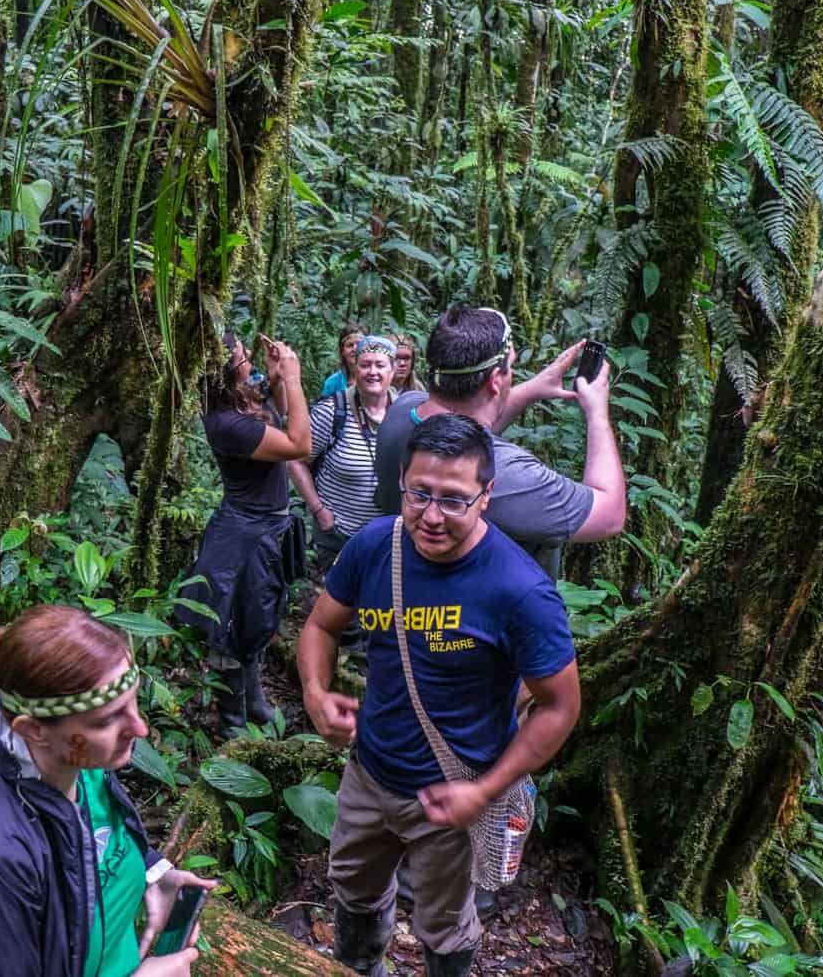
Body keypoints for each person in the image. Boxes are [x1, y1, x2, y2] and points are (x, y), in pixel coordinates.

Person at [297, 415, 582, 977]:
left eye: (453, 500)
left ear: (486, 496)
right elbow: (320, 627)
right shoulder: (375, 546)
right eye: (419, 493)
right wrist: (314, 692)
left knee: (445, 925)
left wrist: (486, 791)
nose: (430, 515)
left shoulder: (519, 590)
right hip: (370, 773)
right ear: (402, 481)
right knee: (353, 889)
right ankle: (358, 966)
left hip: (456, 792)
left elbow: (561, 705)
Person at [0, 605, 216, 977]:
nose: (140, 727)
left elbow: (86, 837)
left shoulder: (72, 756)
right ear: (33, 729)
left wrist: (152, 873)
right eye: (107, 719)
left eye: (133, 701)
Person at [373, 306, 625, 578]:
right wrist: (597, 412)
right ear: (495, 380)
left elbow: (466, 422)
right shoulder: (500, 471)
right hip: (489, 615)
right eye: (512, 366)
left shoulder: (401, 411)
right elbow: (609, 516)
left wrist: (532, 389)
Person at [173, 332, 311, 730]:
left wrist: (276, 381)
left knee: (259, 618)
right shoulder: (226, 423)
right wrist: (295, 378)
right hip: (243, 535)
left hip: (265, 528)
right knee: (233, 624)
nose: (248, 365)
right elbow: (298, 444)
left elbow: (279, 419)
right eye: (241, 361)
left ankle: (255, 700)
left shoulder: (242, 400)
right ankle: (232, 715)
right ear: (222, 375)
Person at [288, 335, 399, 567]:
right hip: (340, 535)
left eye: (380, 365)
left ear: (393, 369)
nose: (372, 372)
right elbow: (297, 462)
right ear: (354, 368)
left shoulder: (405, 411)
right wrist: (319, 511)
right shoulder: (332, 411)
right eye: (365, 364)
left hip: (390, 537)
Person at [319, 324, 366, 398]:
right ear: (342, 352)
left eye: (359, 344)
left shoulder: (374, 377)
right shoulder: (332, 382)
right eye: (350, 345)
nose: (355, 349)